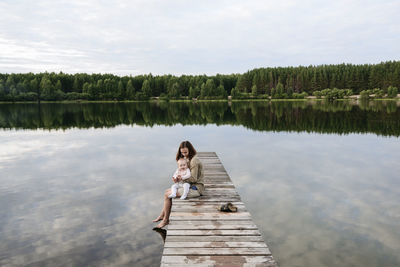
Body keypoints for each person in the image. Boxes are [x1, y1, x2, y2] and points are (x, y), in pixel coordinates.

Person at [153, 141, 204, 228]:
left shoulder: (194, 161)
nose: (183, 154)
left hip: (196, 188)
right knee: (167, 192)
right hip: (189, 185)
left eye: (185, 152)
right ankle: (163, 215)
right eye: (182, 152)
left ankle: (165, 220)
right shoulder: (187, 158)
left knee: (167, 195)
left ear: (190, 150)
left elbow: (194, 179)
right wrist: (177, 178)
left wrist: (181, 178)